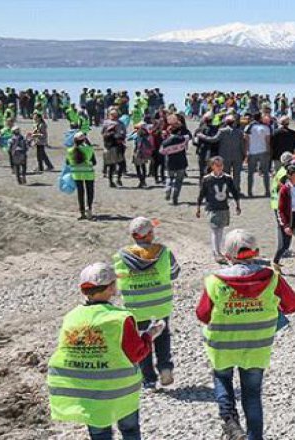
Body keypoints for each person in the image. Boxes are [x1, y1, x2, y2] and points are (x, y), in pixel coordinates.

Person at [196, 229, 295, 440]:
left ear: (227, 256)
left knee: (222, 379)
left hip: (222, 346)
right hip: (256, 347)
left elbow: (203, 314)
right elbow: (293, 305)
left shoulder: (214, 281)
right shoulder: (271, 278)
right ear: (257, 252)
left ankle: (230, 421)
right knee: (252, 395)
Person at [47, 262, 165, 440]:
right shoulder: (119, 318)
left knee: (99, 433)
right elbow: (137, 353)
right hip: (122, 392)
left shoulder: (71, 318)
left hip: (90, 394)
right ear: (111, 288)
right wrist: (150, 335)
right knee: (130, 430)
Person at [112, 217, 181, 391]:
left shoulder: (121, 256)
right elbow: (174, 273)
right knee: (163, 335)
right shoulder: (164, 252)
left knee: (143, 341)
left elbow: (117, 280)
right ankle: (165, 367)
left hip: (136, 308)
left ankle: (149, 379)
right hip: (160, 305)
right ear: (149, 234)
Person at [198, 156, 243, 264]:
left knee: (221, 229)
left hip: (223, 207)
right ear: (212, 166)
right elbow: (201, 194)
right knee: (214, 229)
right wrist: (198, 208)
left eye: (221, 165)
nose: (220, 167)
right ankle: (216, 252)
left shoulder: (227, 178)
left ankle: (218, 251)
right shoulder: (207, 179)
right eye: (217, 165)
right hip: (212, 208)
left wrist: (238, 205)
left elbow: (234, 191)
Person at [199, 115, 247, 193]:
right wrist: (244, 154)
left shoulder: (222, 131)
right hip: (237, 155)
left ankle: (226, 191)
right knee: (237, 175)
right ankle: (236, 190)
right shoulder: (239, 132)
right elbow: (242, 145)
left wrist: (202, 136)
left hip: (225, 156)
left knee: (226, 175)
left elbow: (213, 140)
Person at [160, 113, 191, 205]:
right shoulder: (182, 138)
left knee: (169, 178)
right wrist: (181, 127)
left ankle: (168, 190)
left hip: (170, 161)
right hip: (181, 161)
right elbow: (190, 136)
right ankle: (175, 198)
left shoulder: (167, 140)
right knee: (178, 181)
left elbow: (162, 149)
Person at [67, 132, 96, 220]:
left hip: (77, 174)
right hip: (88, 173)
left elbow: (67, 162)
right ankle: (89, 209)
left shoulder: (70, 150)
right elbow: (94, 162)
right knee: (89, 192)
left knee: (80, 193)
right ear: (84, 140)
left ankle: (82, 212)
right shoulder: (89, 149)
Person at [245, 113, 272, 197]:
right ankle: (267, 191)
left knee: (250, 173)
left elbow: (246, 140)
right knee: (266, 173)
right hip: (263, 151)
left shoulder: (248, 127)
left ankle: (249, 192)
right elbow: (268, 141)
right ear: (260, 118)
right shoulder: (265, 127)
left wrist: (247, 152)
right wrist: (269, 151)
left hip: (252, 152)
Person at [102, 108, 127, 188]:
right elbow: (103, 133)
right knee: (111, 165)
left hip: (118, 145)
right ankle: (111, 181)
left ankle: (118, 179)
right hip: (110, 146)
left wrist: (121, 137)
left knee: (121, 164)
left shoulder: (120, 123)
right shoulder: (106, 123)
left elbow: (124, 133)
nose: (114, 116)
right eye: (112, 114)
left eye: (115, 115)